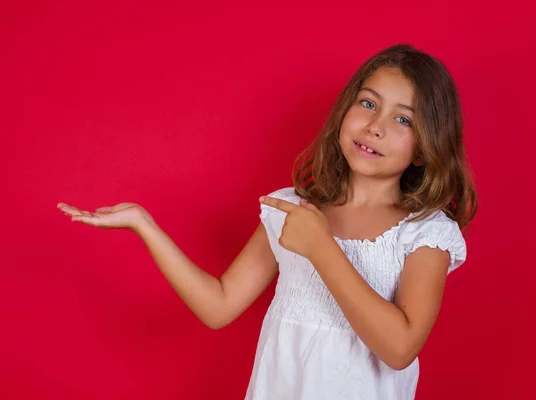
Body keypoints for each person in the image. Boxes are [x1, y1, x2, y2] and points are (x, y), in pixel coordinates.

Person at [57, 43, 477, 399]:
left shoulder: (425, 231)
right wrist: (144, 224)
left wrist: (320, 247)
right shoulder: (288, 210)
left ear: (425, 148)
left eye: (402, 119)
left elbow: (400, 348)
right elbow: (218, 306)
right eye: (367, 103)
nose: (374, 127)